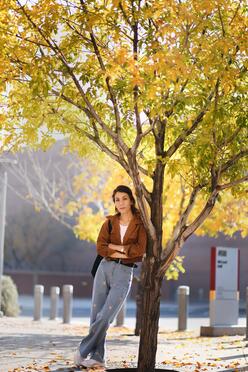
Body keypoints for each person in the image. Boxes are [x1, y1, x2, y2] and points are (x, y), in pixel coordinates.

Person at [74, 185, 147, 369]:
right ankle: (98, 357)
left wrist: (116, 248)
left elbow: (139, 251)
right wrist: (122, 251)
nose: (120, 203)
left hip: (124, 273)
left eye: (124, 198)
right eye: (117, 199)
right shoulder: (109, 222)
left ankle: (83, 350)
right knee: (96, 313)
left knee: (106, 314)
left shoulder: (140, 224)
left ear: (131, 199)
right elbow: (101, 247)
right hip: (104, 268)